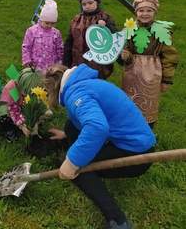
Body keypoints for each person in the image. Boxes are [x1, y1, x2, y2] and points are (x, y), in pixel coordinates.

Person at [45, 63, 156, 229]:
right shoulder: (85, 84)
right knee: (71, 125)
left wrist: (73, 162)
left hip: (137, 154)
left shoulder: (76, 94)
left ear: (54, 89)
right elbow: (85, 120)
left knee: (81, 170)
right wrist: (67, 134)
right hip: (136, 141)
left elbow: (97, 127)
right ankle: (73, 151)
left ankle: (118, 221)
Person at [121, 0, 178, 127]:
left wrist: (166, 80)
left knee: (149, 104)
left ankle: (147, 133)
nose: (145, 14)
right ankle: (129, 131)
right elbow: (126, 47)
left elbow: (169, 56)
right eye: (141, 10)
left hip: (152, 74)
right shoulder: (130, 28)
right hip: (131, 74)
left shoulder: (162, 31)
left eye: (149, 10)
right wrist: (125, 55)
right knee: (130, 103)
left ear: (155, 12)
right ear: (136, 12)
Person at [63, 0, 117, 78]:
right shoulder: (76, 20)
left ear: (97, 2)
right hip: (78, 59)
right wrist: (66, 61)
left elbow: (114, 37)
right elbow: (69, 41)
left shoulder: (104, 18)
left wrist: (106, 27)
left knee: (96, 83)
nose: (87, 6)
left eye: (90, 3)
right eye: (84, 4)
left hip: (98, 62)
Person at [0, 67, 44, 142]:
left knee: (29, 113)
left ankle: (29, 124)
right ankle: (9, 130)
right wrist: (22, 126)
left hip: (20, 104)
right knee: (5, 117)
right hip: (9, 108)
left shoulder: (28, 83)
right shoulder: (12, 90)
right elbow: (13, 111)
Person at [22, 0, 63, 71]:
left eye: (52, 23)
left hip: (51, 67)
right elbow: (26, 47)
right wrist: (27, 60)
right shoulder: (32, 31)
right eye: (47, 23)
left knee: (48, 81)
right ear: (41, 20)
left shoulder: (56, 33)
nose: (49, 25)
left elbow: (60, 48)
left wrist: (60, 61)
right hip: (35, 65)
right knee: (36, 81)